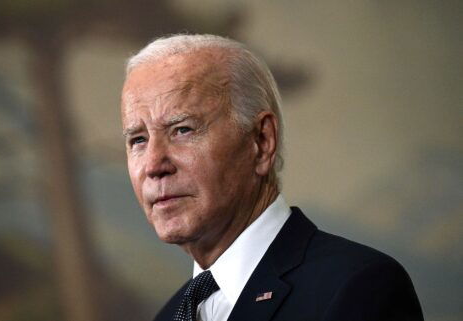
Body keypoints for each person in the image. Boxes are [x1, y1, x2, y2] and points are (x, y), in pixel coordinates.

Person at [120, 34, 423, 321]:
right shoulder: (171, 315)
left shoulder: (359, 289)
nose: (153, 165)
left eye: (182, 129)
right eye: (138, 140)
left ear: (262, 141)